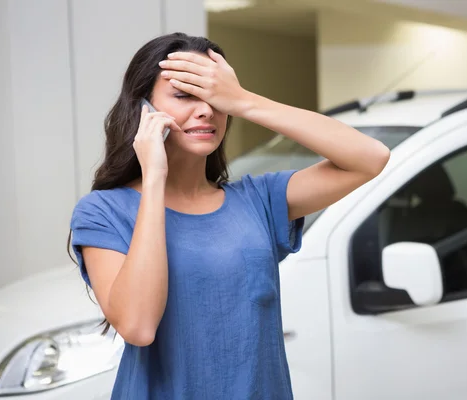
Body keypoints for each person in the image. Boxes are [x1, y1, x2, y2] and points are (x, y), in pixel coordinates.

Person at [68, 32, 390, 400]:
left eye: (214, 97)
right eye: (185, 94)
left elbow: (371, 158)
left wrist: (244, 101)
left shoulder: (258, 200)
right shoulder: (103, 213)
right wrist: (154, 177)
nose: (206, 109)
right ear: (143, 110)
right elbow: (139, 327)